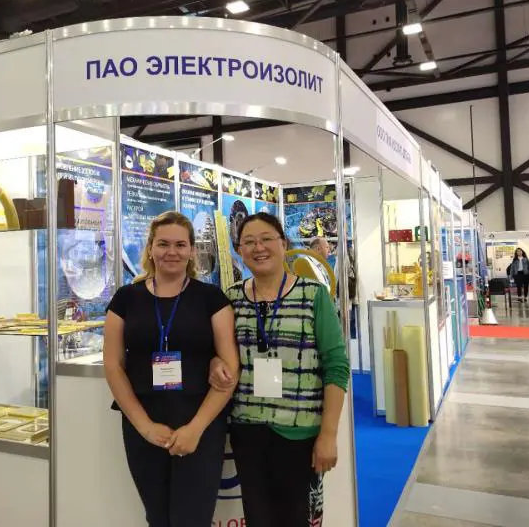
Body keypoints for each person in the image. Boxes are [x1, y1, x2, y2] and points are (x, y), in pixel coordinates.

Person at [210, 212, 350, 527]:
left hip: (300, 434)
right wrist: (215, 363)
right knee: (258, 519)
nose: (258, 248)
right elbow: (220, 353)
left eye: (266, 239)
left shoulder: (312, 295)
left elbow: (336, 365)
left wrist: (328, 434)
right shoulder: (232, 298)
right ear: (239, 251)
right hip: (248, 431)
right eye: (248, 242)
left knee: (298, 519)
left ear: (283, 244)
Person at [103, 211, 240, 527]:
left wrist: (195, 428)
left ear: (192, 251)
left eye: (180, 245)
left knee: (192, 519)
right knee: (157, 518)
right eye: (163, 244)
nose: (171, 252)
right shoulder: (126, 299)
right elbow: (113, 365)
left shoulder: (211, 299)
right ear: (150, 248)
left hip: (200, 423)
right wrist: (145, 426)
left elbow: (230, 369)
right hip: (143, 423)